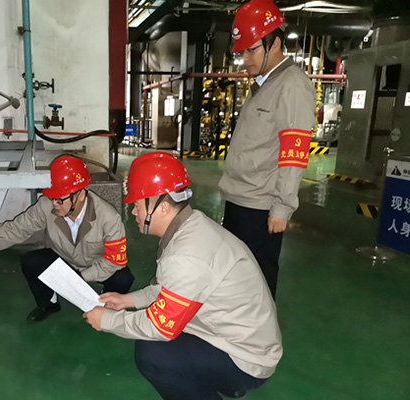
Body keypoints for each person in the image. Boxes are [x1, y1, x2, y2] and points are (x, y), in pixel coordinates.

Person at [84, 152, 282, 400]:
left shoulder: (187, 255)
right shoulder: (191, 226)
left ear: (162, 207)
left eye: (137, 205)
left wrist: (109, 321)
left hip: (247, 359)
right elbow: (171, 287)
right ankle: (220, 381)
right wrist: (128, 300)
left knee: (152, 353)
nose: (133, 212)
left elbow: (160, 327)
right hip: (237, 336)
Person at [219, 0, 316, 298]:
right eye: (242, 51)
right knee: (237, 279)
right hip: (240, 199)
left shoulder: (292, 86)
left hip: (260, 209)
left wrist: (282, 208)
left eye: (251, 50)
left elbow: (293, 155)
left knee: (257, 283)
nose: (245, 59)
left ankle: (261, 328)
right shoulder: (263, 83)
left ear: (274, 44)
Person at [0, 155, 134, 322]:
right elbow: (15, 230)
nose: (54, 204)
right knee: (32, 261)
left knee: (123, 279)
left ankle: (102, 306)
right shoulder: (46, 205)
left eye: (60, 199)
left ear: (79, 195)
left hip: (96, 266)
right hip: (64, 262)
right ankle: (49, 303)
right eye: (52, 197)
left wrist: (81, 277)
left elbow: (114, 261)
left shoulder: (109, 217)